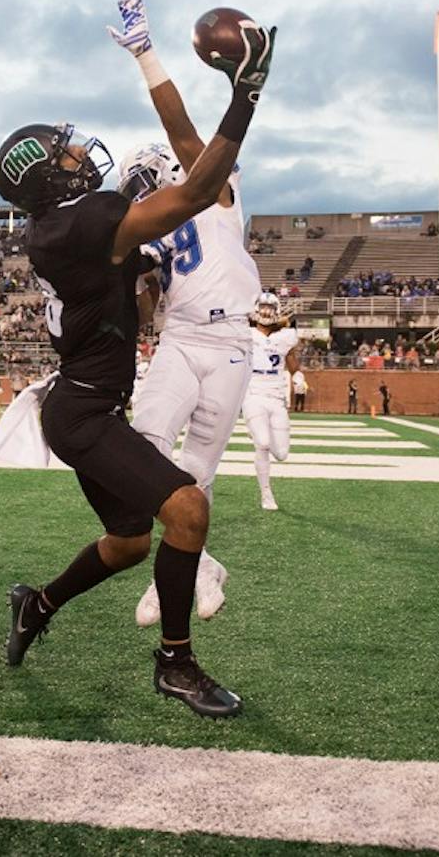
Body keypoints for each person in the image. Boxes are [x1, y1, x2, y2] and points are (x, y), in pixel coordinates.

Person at [0, 0, 273, 720]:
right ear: (48, 183)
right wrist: (246, 92)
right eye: (64, 156)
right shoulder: (80, 224)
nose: (79, 156)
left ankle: (36, 604)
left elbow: (137, 303)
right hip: (84, 413)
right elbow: (199, 187)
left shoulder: (63, 228)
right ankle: (176, 663)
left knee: (126, 543)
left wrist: (150, 275)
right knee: (188, 509)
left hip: (89, 402)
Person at [114, 135, 254, 624]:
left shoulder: (217, 196)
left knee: (197, 469)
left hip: (229, 340)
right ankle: (202, 565)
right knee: (143, 447)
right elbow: (146, 310)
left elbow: (189, 139)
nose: (139, 193)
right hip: (178, 337)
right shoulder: (155, 229)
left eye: (142, 180)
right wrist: (133, 278)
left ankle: (172, 574)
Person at [243, 293, 299, 511]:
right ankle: (266, 493)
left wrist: (298, 376)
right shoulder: (244, 333)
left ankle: (257, 432)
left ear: (277, 311)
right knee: (263, 443)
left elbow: (292, 362)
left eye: (270, 308)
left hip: (276, 397)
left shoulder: (286, 337)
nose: (266, 312)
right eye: (263, 307)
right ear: (256, 309)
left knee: (282, 454)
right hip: (253, 393)